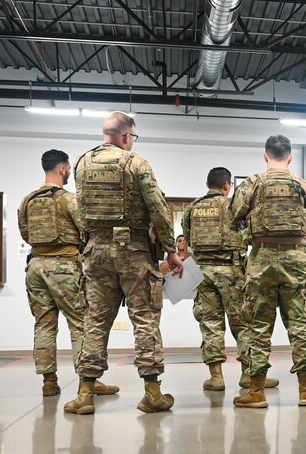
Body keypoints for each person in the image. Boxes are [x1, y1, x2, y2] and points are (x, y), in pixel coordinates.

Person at [63, 112, 183, 415]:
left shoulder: (80, 163)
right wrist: (170, 249)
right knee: (145, 319)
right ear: (127, 136)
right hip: (134, 252)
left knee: (95, 319)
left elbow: (79, 210)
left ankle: (85, 394)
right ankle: (152, 393)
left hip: (96, 252)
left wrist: (88, 242)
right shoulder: (135, 163)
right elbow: (157, 207)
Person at [17, 149, 119, 398]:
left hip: (36, 267)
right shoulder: (68, 200)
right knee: (80, 323)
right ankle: (89, 380)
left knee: (44, 324)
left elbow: (24, 233)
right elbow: (87, 229)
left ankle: (49, 381)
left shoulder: (27, 200)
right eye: (68, 169)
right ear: (62, 169)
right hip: (63, 266)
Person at [229, 135, 306, 408]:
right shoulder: (303, 185)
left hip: (261, 260)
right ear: (290, 157)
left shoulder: (252, 184)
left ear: (265, 156)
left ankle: (256, 392)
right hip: (296, 258)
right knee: (300, 325)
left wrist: (251, 235)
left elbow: (233, 218)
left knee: (258, 325)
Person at [181, 167, 280, 393]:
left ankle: (216, 377)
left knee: (210, 324)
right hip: (231, 271)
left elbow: (187, 237)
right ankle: (249, 374)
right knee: (243, 323)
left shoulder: (192, 208)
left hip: (202, 273)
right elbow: (248, 235)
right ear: (227, 185)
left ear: (208, 184)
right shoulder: (234, 206)